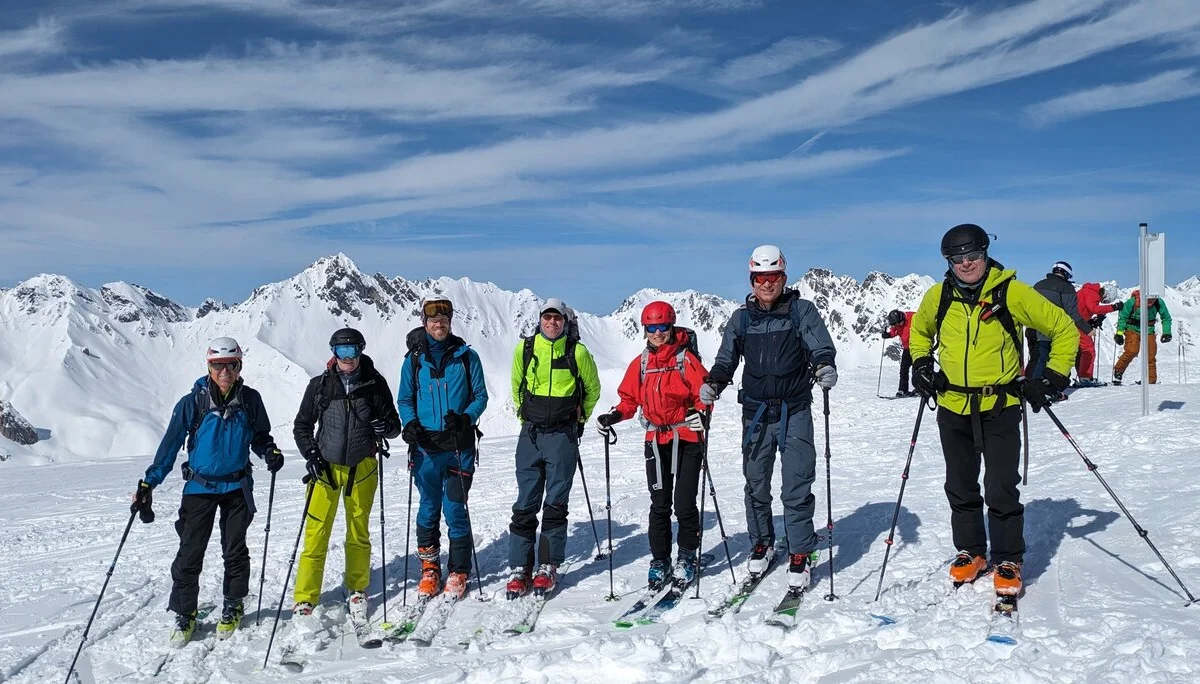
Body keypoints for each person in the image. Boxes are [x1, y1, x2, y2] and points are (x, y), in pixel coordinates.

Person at [908, 225, 1077, 597]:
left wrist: (1051, 377)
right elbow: (919, 332)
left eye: (973, 256)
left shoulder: (1010, 292)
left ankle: (1008, 557)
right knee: (960, 484)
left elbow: (1064, 328)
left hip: (1000, 405)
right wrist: (921, 364)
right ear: (948, 261)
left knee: (1000, 485)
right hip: (952, 404)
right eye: (958, 258)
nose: (966, 263)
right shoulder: (939, 296)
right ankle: (971, 551)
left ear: (985, 254)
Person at [699, 245, 838, 592]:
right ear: (752, 280)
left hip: (795, 410)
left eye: (773, 276)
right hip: (756, 414)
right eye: (760, 277)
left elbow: (820, 345)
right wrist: (714, 382)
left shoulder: (801, 311)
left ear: (783, 277)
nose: (767, 283)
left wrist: (824, 365)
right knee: (756, 483)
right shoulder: (741, 319)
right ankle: (761, 542)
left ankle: (800, 551)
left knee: (796, 484)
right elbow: (726, 358)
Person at [133, 337, 283, 646]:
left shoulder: (250, 400)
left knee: (235, 549)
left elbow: (260, 436)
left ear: (239, 366)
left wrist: (269, 451)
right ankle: (185, 613)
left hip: (237, 486)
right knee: (190, 552)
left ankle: (233, 603)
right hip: (199, 487)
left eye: (231, 365)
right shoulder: (192, 402)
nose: (225, 371)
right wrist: (149, 482)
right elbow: (170, 445)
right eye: (218, 365)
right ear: (209, 366)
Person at [595, 301, 708, 590]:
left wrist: (702, 415)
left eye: (663, 326)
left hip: (687, 439)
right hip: (656, 440)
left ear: (671, 326)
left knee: (684, 503)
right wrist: (613, 416)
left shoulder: (686, 360)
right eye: (651, 328)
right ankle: (660, 561)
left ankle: (687, 557)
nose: (658, 333)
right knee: (659, 504)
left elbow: (704, 395)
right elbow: (629, 400)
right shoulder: (641, 363)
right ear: (645, 330)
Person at [291, 328, 402, 620]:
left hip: (361, 467)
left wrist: (384, 427)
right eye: (342, 351)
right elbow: (302, 425)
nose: (348, 357)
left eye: (353, 351)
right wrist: (311, 454)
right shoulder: (319, 386)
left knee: (358, 531)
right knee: (316, 533)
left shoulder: (375, 384)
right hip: (324, 468)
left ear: (361, 351)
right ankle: (305, 597)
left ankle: (357, 588)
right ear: (333, 352)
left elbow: (394, 426)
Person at [505, 297, 601, 597]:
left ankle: (547, 565)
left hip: (562, 436)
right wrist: (525, 414)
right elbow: (516, 383)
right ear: (540, 320)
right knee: (525, 502)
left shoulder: (577, 352)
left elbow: (592, 388)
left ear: (565, 321)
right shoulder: (526, 348)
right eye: (547, 317)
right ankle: (520, 567)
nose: (552, 322)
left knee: (556, 502)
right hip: (531, 434)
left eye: (557, 318)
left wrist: (580, 419)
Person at [397, 297, 489, 600]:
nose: (439, 324)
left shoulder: (467, 357)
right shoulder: (413, 361)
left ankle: (459, 570)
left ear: (450, 322)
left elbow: (480, 396)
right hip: (426, 447)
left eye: (444, 320)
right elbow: (405, 399)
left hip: (459, 446)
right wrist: (410, 423)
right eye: (434, 320)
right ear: (425, 323)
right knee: (428, 508)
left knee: (454, 508)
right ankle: (430, 569)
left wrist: (466, 418)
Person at [1028, 261, 1089, 400]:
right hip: (1058, 330)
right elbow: (1072, 313)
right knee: (1059, 361)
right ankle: (1052, 391)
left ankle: (1035, 389)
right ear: (1066, 274)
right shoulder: (1067, 288)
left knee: (1041, 360)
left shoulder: (1038, 285)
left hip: (1037, 328)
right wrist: (1087, 329)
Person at [1112, 290, 1173, 385]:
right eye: (1149, 299)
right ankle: (1118, 370)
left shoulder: (1159, 302)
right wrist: (1119, 333)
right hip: (1132, 328)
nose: (1151, 301)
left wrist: (1167, 332)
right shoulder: (1132, 302)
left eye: (1153, 299)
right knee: (1132, 350)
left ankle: (1151, 380)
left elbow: (1166, 318)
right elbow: (1123, 317)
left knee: (1151, 355)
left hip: (1148, 330)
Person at [1074, 283, 1122, 386]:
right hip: (1077, 324)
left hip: (1077, 322)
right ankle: (1085, 377)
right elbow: (1093, 308)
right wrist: (1113, 307)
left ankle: (1083, 376)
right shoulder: (1092, 294)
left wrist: (1090, 321)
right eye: (1106, 301)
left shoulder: (1088, 291)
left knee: (1081, 350)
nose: (1104, 302)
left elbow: (1083, 309)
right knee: (1088, 350)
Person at [882, 309, 916, 397]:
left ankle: (920, 389)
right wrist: (888, 335)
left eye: (898, 323)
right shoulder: (897, 323)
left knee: (917, 369)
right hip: (907, 349)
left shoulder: (913, 317)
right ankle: (903, 390)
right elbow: (894, 332)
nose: (897, 326)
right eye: (895, 324)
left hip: (917, 348)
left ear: (902, 318)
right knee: (903, 370)